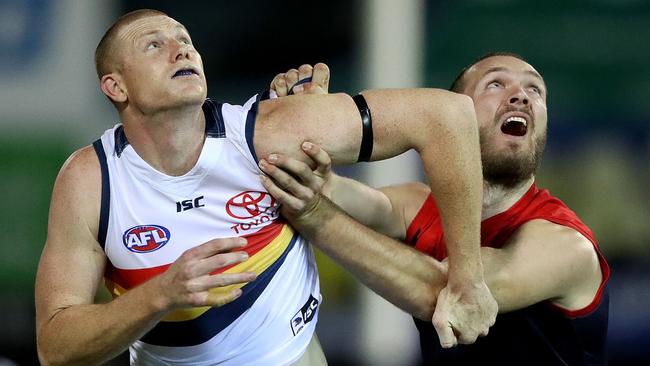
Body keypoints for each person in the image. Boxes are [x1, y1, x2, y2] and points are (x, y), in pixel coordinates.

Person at [34, 9, 498, 366]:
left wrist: (468, 276)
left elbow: (448, 116)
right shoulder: (89, 180)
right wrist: (160, 296)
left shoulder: (268, 132)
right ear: (116, 86)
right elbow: (55, 347)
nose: (182, 51)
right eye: (154, 45)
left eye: (186, 41)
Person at [261, 53, 610, 365]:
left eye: (535, 90)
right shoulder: (420, 205)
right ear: (454, 120)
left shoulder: (567, 245)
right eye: (495, 84)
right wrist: (306, 138)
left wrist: (314, 214)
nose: (520, 96)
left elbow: (451, 292)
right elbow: (331, 191)